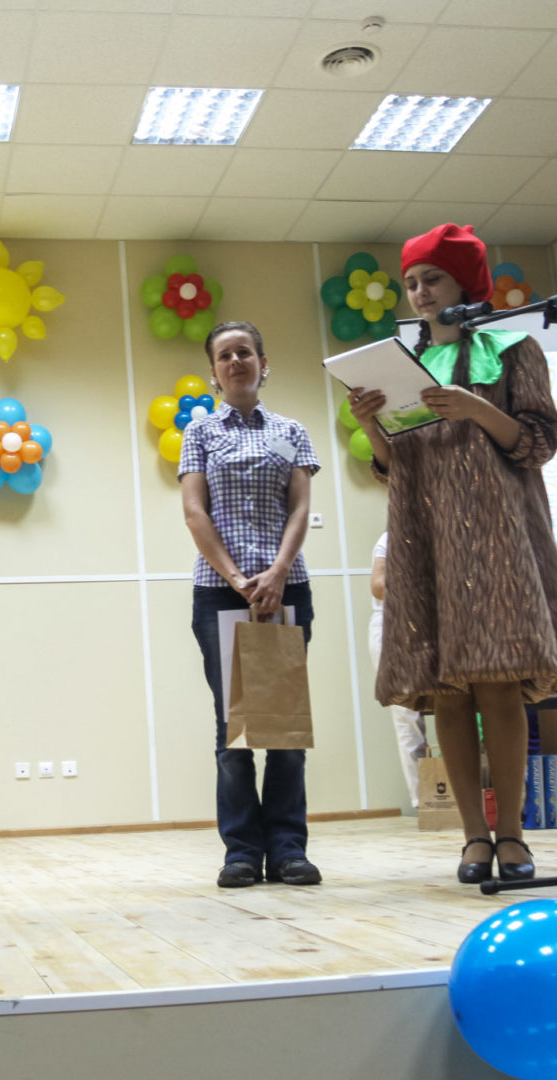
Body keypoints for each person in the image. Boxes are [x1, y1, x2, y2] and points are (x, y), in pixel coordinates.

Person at [348, 223, 557, 884]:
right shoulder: (403, 364)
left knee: (498, 685)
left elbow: (538, 442)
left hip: (498, 538)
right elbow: (394, 468)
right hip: (427, 540)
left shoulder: (513, 350)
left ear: (465, 284)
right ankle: (472, 838)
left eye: (432, 279)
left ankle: (512, 834)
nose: (419, 292)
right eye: (410, 283)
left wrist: (474, 408)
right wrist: (371, 424)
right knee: (447, 692)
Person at [179, 321, 323, 889]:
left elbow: (300, 507)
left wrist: (278, 572)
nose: (236, 361)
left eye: (245, 352)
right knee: (233, 728)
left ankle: (288, 850)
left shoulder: (291, 431)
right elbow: (195, 513)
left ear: (264, 363)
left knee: (284, 728)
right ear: (214, 373)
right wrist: (239, 579)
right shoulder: (200, 432)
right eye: (225, 355)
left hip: (286, 588)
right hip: (221, 591)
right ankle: (241, 852)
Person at [368, 532, 427, 807]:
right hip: (393, 627)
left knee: (453, 707)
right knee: (407, 715)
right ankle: (424, 801)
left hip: (432, 625)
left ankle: (457, 798)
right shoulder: (390, 538)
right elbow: (378, 586)